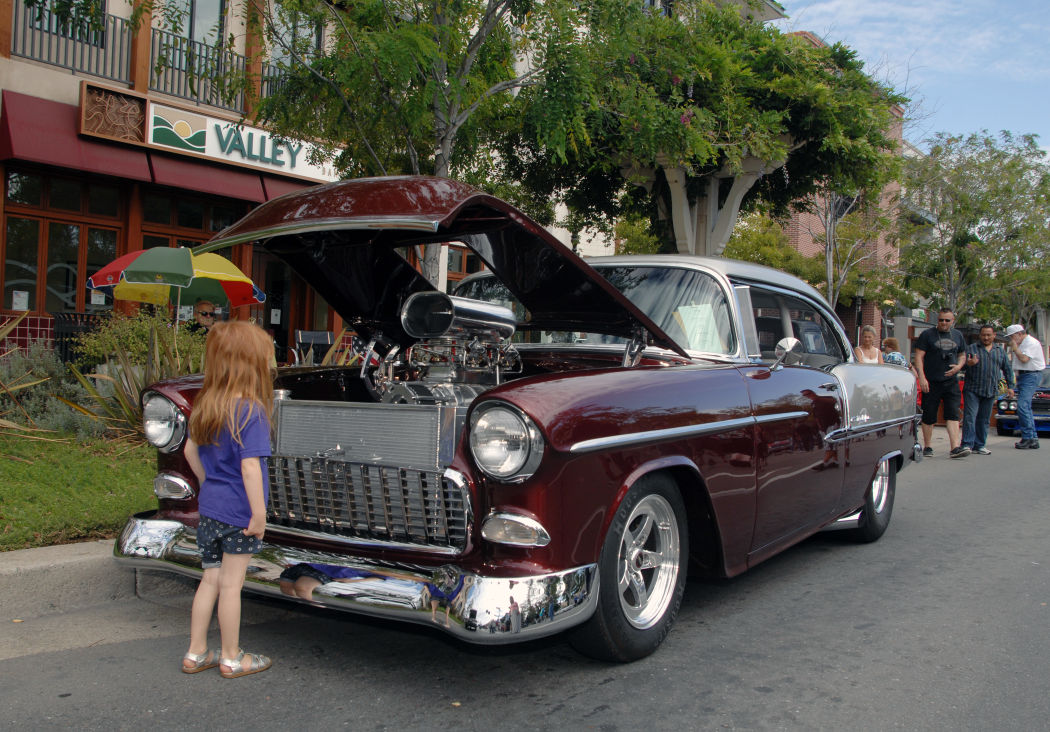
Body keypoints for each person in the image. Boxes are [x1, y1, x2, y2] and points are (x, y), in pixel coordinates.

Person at [181, 321, 274, 678]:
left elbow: (190, 452)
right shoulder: (252, 411)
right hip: (239, 513)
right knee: (232, 586)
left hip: (210, 508)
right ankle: (232, 657)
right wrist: (259, 514)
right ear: (251, 364)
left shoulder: (206, 404)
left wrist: (209, 483)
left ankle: (196, 652)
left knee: (210, 580)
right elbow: (250, 467)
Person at [914, 308, 968, 458]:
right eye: (941, 320)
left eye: (947, 320)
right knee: (929, 414)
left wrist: (958, 366)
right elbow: (919, 356)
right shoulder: (927, 335)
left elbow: (962, 355)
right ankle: (928, 446)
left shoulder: (958, 335)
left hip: (951, 381)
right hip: (932, 381)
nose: (943, 323)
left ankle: (955, 447)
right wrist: (922, 377)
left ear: (952, 321)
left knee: (953, 413)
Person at [960, 325, 1014, 455]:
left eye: (989, 335)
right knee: (970, 417)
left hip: (990, 390)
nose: (986, 337)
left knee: (984, 419)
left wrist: (1010, 387)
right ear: (980, 335)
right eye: (983, 335)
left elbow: (1007, 369)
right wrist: (969, 364)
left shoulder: (1000, 351)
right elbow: (961, 366)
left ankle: (980, 445)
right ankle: (967, 444)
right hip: (972, 389)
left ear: (994, 335)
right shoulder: (971, 348)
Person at [1005, 323, 1045, 449]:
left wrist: (1015, 348)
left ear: (1019, 334)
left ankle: (1028, 437)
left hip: (1031, 375)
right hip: (1023, 375)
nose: (1011, 339)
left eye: (1012, 336)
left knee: (1022, 405)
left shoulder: (1031, 343)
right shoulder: (1022, 343)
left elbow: (1024, 359)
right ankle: (1032, 438)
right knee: (1025, 407)